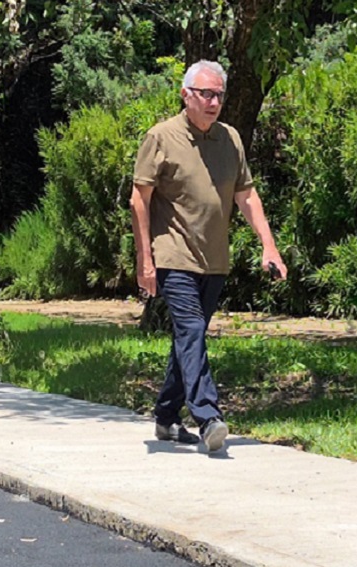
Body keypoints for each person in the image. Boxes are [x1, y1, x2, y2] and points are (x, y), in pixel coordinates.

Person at [129, 59, 287, 452]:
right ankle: (208, 416)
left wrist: (269, 245)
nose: (214, 101)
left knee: (187, 339)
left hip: (214, 260)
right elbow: (139, 199)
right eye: (206, 94)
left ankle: (166, 419)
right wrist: (145, 260)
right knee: (192, 330)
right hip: (173, 256)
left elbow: (246, 195)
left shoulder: (230, 139)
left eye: (219, 94)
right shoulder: (161, 137)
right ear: (186, 95)